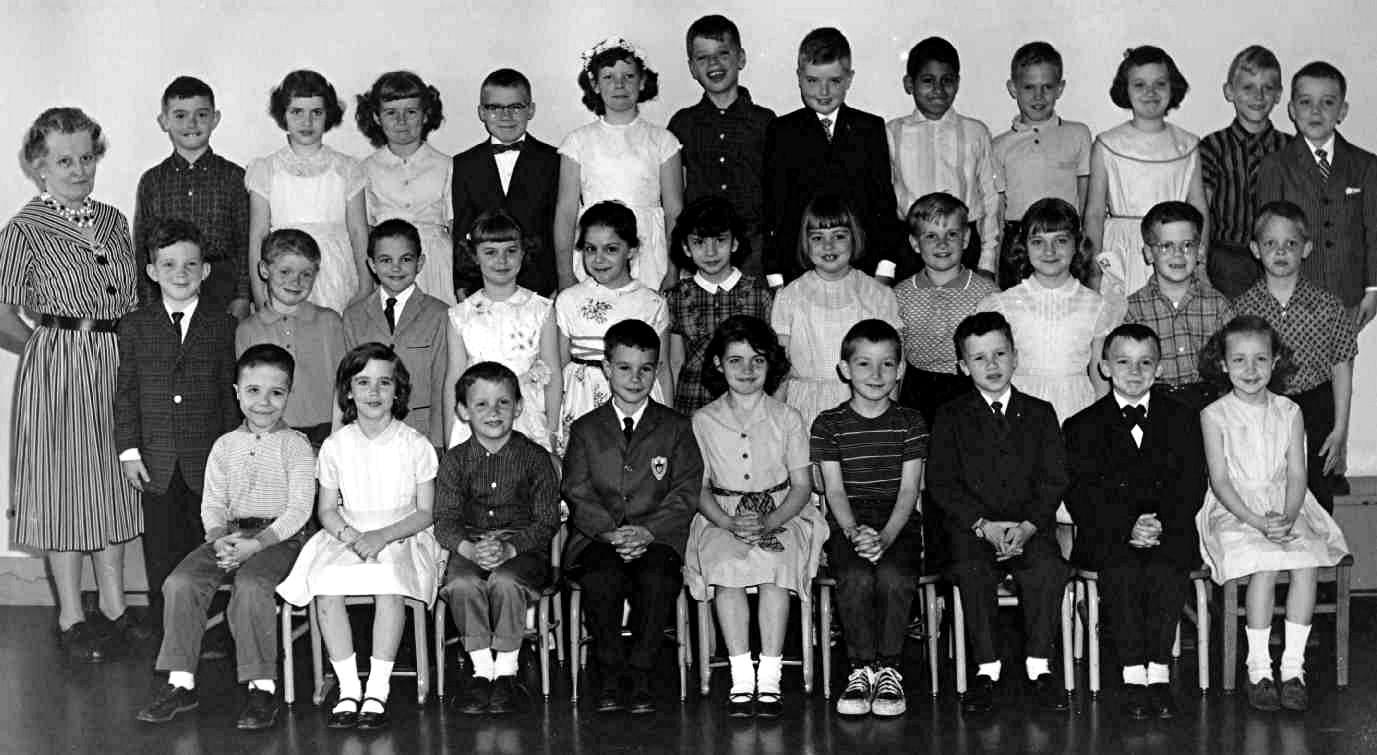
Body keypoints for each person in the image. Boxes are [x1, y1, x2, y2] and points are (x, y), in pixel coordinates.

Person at [0, 108, 142, 662]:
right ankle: (71, 616)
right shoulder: (24, 230)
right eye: (65, 161)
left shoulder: (113, 221)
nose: (79, 170)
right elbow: (2, 309)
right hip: (58, 368)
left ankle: (115, 607)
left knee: (112, 482)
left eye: (87, 158)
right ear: (40, 167)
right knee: (64, 488)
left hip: (115, 360)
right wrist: (43, 347)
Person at [134, 344, 315, 730]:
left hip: (280, 538)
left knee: (251, 585)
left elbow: (300, 510)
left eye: (276, 393)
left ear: (289, 394)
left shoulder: (296, 445)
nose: (263, 402)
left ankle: (262, 688)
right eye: (253, 391)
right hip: (229, 536)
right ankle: (181, 683)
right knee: (181, 582)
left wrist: (258, 544)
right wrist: (218, 538)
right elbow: (213, 503)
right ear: (236, 392)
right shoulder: (224, 446)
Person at [277, 343, 441, 731]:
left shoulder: (414, 444)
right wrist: (352, 536)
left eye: (384, 383)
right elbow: (326, 510)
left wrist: (381, 536)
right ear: (348, 391)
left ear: (398, 391)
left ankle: (377, 690)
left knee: (388, 582)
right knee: (325, 583)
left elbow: (425, 512)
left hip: (402, 532)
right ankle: (349, 688)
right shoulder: (337, 445)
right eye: (363, 382)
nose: (373, 392)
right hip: (347, 532)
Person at [1196, 315, 1350, 712]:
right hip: (1235, 509)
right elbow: (1220, 481)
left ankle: (1293, 669)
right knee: (1263, 563)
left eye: (1260, 359)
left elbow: (1298, 474)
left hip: (1287, 504)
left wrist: (1287, 516)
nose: (1250, 370)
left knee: (1305, 562)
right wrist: (1258, 522)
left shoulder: (1290, 411)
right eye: (1239, 360)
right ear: (1223, 364)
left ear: (1275, 361)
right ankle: (1259, 668)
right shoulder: (1214, 415)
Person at [928, 312, 1070, 714]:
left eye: (1000, 354)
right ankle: (986, 671)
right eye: (979, 358)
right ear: (963, 366)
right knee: (971, 571)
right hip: (975, 531)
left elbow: (1054, 479)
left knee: (1047, 570)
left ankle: (1039, 668)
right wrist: (983, 525)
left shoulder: (1040, 412)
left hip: (1030, 530)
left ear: (1015, 357)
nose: (991, 365)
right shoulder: (951, 416)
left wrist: (1027, 527)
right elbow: (942, 483)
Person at [1064, 324, 1206, 721]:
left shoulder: (1182, 418)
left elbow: (1192, 484)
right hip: (1107, 533)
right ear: (1105, 367)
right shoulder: (1081, 425)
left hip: (1168, 529)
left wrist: (1159, 524)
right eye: (1123, 362)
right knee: (1122, 569)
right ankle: (1131, 676)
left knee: (1166, 567)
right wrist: (1127, 526)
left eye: (1145, 363)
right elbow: (1081, 494)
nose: (1134, 371)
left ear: (1159, 369)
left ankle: (1158, 674)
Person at [685, 315, 825, 718]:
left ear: (770, 364)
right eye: (736, 360)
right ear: (718, 364)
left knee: (774, 568)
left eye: (757, 360)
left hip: (782, 513)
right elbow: (699, 488)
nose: (747, 370)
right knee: (726, 567)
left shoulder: (788, 417)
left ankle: (771, 676)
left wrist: (770, 521)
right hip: (722, 515)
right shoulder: (702, 420)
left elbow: (802, 486)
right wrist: (728, 523)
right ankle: (742, 675)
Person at [562, 319, 703, 714]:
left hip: (657, 538)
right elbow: (577, 489)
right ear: (607, 368)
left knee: (657, 578)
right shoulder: (586, 428)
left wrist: (647, 531)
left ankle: (642, 672)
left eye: (646, 369)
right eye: (624, 368)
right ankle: (609, 672)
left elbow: (686, 489)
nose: (635, 378)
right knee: (600, 577)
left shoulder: (676, 427)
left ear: (657, 370)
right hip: (598, 539)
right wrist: (612, 533)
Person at [115, 219, 240, 628]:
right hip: (157, 461)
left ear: (205, 270)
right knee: (161, 548)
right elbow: (126, 393)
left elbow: (228, 396)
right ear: (152, 271)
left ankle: (206, 629)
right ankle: (165, 630)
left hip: (206, 462)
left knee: (203, 549)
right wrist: (129, 451)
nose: (180, 274)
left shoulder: (223, 325)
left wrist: (229, 458)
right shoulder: (135, 326)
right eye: (169, 265)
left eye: (190, 265)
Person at [811, 320, 926, 718]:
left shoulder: (911, 422)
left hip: (898, 520)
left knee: (894, 576)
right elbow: (834, 491)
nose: (876, 374)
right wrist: (852, 532)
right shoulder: (828, 423)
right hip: (849, 520)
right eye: (864, 363)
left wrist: (887, 537)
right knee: (856, 576)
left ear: (900, 369)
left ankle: (890, 668)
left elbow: (909, 491)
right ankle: (860, 669)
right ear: (845, 369)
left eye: (887, 364)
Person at [436, 362, 559, 716]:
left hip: (523, 548)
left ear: (518, 407)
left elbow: (547, 520)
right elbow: (444, 521)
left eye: (503, 402)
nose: (494, 412)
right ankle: (481, 672)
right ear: (463, 411)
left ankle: (506, 671)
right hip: (470, 544)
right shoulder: (455, 461)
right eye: (481, 404)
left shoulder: (535, 459)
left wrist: (510, 548)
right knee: (461, 583)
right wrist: (470, 549)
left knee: (505, 581)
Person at [1232, 201, 1358, 514]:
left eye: (1290, 244)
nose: (1281, 251)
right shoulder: (1242, 309)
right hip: (1261, 407)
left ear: (1306, 248)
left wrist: (1340, 429)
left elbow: (1342, 368)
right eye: (1270, 243)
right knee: (1267, 492)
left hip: (1315, 407)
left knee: (1317, 492)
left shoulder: (1328, 305)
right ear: (1255, 249)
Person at [763, 26, 897, 286]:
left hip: (862, 266)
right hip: (800, 269)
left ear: (849, 79)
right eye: (812, 81)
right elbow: (773, 208)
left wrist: (885, 268)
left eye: (834, 81)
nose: (823, 92)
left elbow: (884, 204)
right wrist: (775, 276)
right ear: (799, 77)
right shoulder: (782, 131)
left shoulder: (869, 128)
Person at [554, 37, 684, 291]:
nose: (619, 85)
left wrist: (673, 269)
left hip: (648, 254)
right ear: (594, 84)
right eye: (608, 77)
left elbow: (674, 211)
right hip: (595, 248)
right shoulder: (577, 142)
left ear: (642, 81)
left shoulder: (663, 140)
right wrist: (564, 274)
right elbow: (566, 212)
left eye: (629, 76)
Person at [979, 198, 1123, 423]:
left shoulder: (1095, 305)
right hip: (1020, 411)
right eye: (1038, 242)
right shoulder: (1002, 304)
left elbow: (1100, 377)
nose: (1050, 251)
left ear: (1077, 244)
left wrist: (1101, 421)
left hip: (1076, 408)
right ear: (1024, 246)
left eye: (1061, 240)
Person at [1255, 61, 1377, 327]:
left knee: (1341, 355)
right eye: (1305, 102)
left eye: (1328, 102)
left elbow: (1374, 232)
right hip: (1292, 296)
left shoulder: (1366, 165)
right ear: (1292, 110)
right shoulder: (1275, 166)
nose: (1316, 111)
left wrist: (1373, 289)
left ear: (1342, 111)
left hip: (1347, 296)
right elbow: (1267, 234)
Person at [1084, 46, 1209, 306]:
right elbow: (1094, 212)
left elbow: (1199, 207)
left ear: (1172, 87)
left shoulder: (1186, 145)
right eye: (1139, 84)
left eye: (1159, 84)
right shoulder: (1108, 144)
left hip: (1174, 248)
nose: (1150, 92)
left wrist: (1201, 261)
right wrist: (1093, 268)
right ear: (1125, 89)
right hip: (1122, 250)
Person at [771, 195, 901, 431]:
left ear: (855, 238)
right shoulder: (789, 296)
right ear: (805, 243)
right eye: (817, 238)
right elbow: (780, 371)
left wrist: (890, 421)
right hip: (804, 409)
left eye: (839, 236)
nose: (828, 246)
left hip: (865, 405)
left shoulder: (878, 294)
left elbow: (894, 365)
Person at [247, 69, 368, 314]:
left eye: (316, 112)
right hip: (284, 270)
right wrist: (259, 294)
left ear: (328, 114)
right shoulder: (266, 169)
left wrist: (365, 284)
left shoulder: (347, 168)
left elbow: (358, 231)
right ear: (283, 114)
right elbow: (258, 235)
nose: (307, 122)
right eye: (297, 112)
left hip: (335, 271)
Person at [554, 201, 671, 454]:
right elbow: (558, 367)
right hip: (582, 400)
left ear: (631, 250)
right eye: (590, 249)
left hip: (636, 398)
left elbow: (662, 370)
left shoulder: (652, 302)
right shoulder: (569, 300)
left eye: (611, 249)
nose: (598, 259)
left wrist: (668, 425)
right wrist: (552, 425)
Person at [133, 76, 250, 319]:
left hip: (221, 287)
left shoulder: (234, 177)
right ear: (164, 121)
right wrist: (148, 302)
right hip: (167, 287)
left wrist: (242, 296)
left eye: (201, 114)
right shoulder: (152, 181)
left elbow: (244, 243)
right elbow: (143, 247)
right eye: (180, 115)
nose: (192, 123)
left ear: (215, 119)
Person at [667, 14, 776, 276]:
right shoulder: (682, 124)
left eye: (723, 54)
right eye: (702, 57)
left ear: (741, 58)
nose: (713, 63)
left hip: (754, 254)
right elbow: (674, 199)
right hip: (699, 255)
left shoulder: (766, 122)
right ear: (692, 68)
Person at [445, 210, 561, 453]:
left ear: (523, 252)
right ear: (474, 256)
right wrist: (450, 439)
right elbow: (454, 379)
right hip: (477, 416)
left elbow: (552, 374)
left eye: (511, 250)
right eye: (490, 252)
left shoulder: (541, 309)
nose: (502, 260)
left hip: (526, 415)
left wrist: (551, 430)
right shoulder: (461, 315)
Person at [887, 36, 1000, 281]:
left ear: (957, 83)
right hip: (912, 247)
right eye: (928, 81)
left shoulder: (975, 132)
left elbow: (990, 199)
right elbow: (884, 201)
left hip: (965, 244)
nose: (938, 89)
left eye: (946, 80)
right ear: (909, 84)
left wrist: (987, 262)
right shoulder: (892, 133)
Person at [451, 68, 561, 298]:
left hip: (542, 286)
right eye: (495, 107)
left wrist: (559, 283)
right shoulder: (464, 164)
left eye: (516, 107)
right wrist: (462, 286)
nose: (506, 116)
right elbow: (461, 230)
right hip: (481, 287)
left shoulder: (555, 161)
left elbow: (559, 228)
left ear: (531, 110)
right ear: (482, 112)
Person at [992, 42, 1092, 289]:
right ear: (1013, 88)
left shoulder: (1078, 134)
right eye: (1029, 87)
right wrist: (994, 267)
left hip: (1064, 240)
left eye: (1047, 87)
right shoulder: (999, 145)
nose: (1038, 96)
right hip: (1018, 242)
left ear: (1060, 88)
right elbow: (997, 212)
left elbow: (1086, 199)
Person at [343, 219, 450, 449]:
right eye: (385, 260)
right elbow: (348, 382)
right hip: (368, 435)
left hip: (421, 435)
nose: (396, 268)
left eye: (406, 259)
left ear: (420, 263)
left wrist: (438, 444)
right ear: (371, 264)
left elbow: (442, 384)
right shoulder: (353, 316)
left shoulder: (440, 314)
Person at [894, 193, 999, 426]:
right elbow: (895, 358)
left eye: (952, 234)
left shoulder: (987, 293)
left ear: (966, 238)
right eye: (931, 236)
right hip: (917, 391)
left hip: (970, 390)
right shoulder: (900, 294)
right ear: (915, 243)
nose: (942, 244)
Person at [236, 229, 345, 448]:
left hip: (327, 433)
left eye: (306, 274)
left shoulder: (330, 322)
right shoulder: (247, 329)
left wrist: (337, 438)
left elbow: (343, 383)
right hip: (272, 433)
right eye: (285, 272)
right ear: (264, 270)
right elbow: (248, 393)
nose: (296, 281)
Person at [666, 196, 773, 414]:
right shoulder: (676, 297)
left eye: (720, 240)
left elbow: (770, 359)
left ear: (734, 243)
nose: (711, 252)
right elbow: (676, 363)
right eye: (699, 242)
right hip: (692, 406)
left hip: (746, 407)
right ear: (686, 247)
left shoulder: (759, 295)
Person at [357, 70, 457, 305]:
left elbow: (454, 226)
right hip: (390, 265)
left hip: (436, 262)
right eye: (391, 113)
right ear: (377, 117)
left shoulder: (447, 165)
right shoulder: (365, 169)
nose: (401, 121)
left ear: (425, 115)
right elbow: (366, 229)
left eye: (411, 112)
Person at [1125, 201, 1233, 411]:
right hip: (1155, 407)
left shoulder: (1219, 306)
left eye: (1187, 245)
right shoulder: (1133, 310)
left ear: (1200, 251)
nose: (1178, 254)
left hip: (1210, 406)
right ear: (1148, 253)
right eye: (1166, 246)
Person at [1199, 46, 1289, 299]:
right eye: (1248, 87)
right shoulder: (1212, 147)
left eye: (1267, 88)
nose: (1258, 96)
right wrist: (1200, 264)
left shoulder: (1291, 148)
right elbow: (1201, 209)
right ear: (1229, 91)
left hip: (1280, 257)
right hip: (1227, 259)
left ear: (1279, 94)